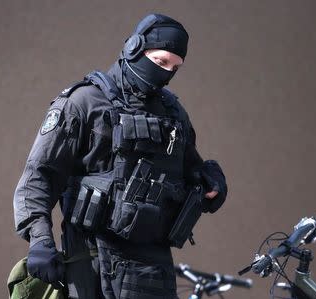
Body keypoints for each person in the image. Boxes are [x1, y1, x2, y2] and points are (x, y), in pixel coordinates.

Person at [13, 13, 228, 299]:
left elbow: (190, 167)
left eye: (175, 67)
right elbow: (38, 176)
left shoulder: (172, 113)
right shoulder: (85, 102)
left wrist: (211, 178)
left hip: (154, 271)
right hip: (93, 263)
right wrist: (40, 241)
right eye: (161, 62)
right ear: (134, 49)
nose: (166, 74)